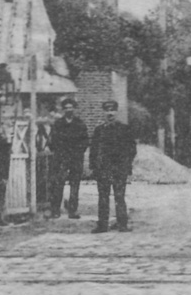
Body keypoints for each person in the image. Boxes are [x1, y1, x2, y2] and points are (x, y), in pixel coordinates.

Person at [89, 100, 137, 233]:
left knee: (119, 197)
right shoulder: (99, 130)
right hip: (103, 170)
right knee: (103, 197)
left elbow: (132, 149)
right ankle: (102, 225)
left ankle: (122, 224)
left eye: (112, 110)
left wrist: (126, 166)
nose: (110, 113)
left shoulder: (124, 129)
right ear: (104, 112)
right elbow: (93, 150)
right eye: (107, 111)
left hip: (119, 169)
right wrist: (94, 167)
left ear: (116, 112)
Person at [48, 97, 89, 219]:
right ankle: (55, 210)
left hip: (76, 158)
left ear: (74, 109)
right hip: (61, 158)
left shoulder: (80, 124)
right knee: (58, 184)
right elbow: (52, 141)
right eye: (66, 108)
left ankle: (73, 210)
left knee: (75, 184)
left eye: (71, 108)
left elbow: (85, 141)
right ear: (63, 110)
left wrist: (78, 152)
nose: (69, 110)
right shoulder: (58, 124)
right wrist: (59, 153)